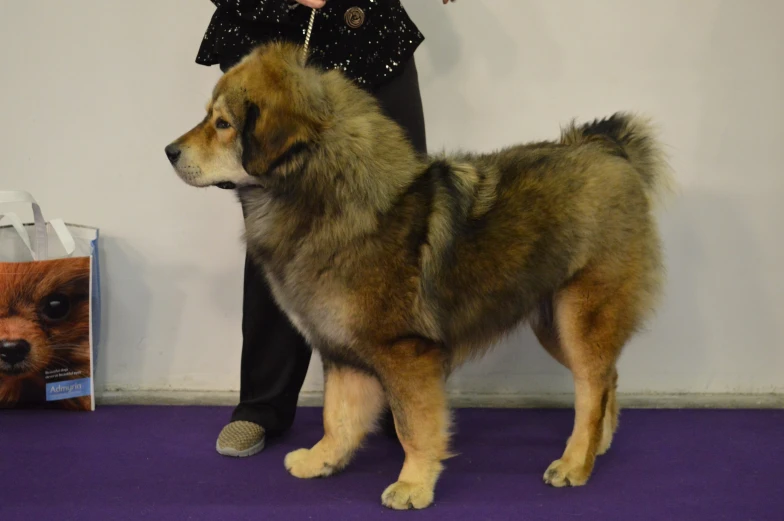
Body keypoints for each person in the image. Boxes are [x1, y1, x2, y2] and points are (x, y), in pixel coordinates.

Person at [194, 0, 451, 457]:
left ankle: (404, 400)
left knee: (403, 225)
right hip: (272, 32)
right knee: (282, 233)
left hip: (368, 30)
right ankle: (262, 405)